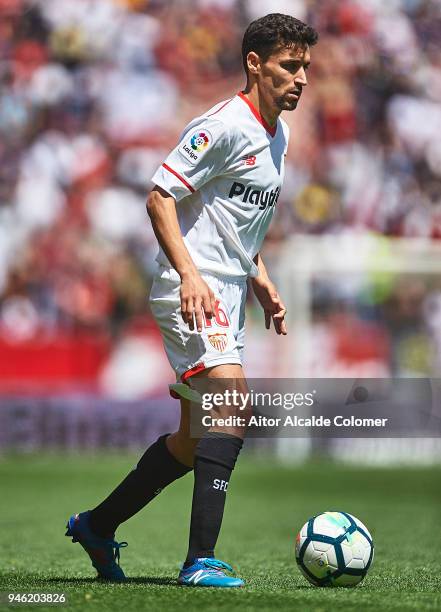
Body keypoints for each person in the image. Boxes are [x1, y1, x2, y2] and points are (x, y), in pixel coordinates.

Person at [65, 13, 318, 588]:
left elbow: (232, 222)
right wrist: (189, 276)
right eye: (289, 65)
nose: (301, 78)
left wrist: (259, 274)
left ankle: (97, 526)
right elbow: (160, 197)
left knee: (192, 440)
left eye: (305, 67)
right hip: (192, 289)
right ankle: (200, 560)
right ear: (255, 64)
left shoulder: (280, 134)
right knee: (231, 401)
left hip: (227, 290)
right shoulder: (224, 124)